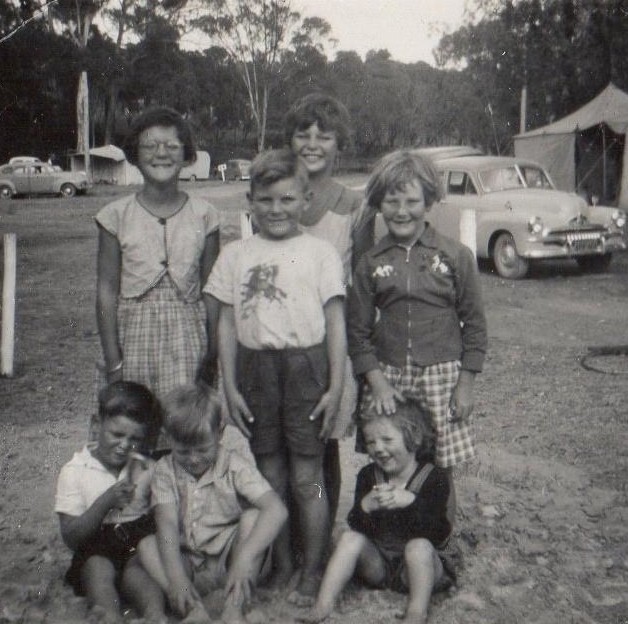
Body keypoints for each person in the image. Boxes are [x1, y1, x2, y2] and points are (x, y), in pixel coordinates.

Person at [204, 148, 347, 603]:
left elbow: (336, 323)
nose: (276, 209)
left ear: (305, 200)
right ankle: (283, 562)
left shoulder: (320, 253)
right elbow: (226, 324)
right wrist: (229, 385)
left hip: (307, 368)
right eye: (265, 200)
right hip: (255, 369)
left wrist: (336, 387)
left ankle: (313, 567)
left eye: (287, 199)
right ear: (250, 201)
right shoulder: (236, 254)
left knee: (307, 475)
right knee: (269, 473)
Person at [347, 149, 487, 522]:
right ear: (379, 204)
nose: (401, 211)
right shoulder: (371, 262)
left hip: (442, 377)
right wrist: (376, 383)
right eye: (391, 201)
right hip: (389, 378)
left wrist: (466, 384)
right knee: (392, 458)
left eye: (411, 201)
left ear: (429, 201)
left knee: (439, 464)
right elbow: (357, 332)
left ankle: (439, 535)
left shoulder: (455, 256)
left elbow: (475, 324)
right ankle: (392, 532)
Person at [94, 106, 220, 451]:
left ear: (187, 155)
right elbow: (106, 291)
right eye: (150, 146)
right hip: (134, 341)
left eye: (172, 146)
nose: (161, 153)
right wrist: (113, 361)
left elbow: (213, 291)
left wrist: (212, 353)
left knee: (185, 435)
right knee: (133, 437)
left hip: (187, 342)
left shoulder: (205, 215)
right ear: (134, 154)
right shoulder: (115, 216)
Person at [284, 92, 376, 526]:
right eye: (303, 134)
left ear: (340, 144)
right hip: (281, 340)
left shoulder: (356, 206)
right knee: (282, 446)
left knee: (324, 446)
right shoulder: (277, 195)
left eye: (324, 136)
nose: (313, 144)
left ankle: (318, 542)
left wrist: (358, 353)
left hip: (329, 344)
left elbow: (362, 285)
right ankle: (287, 540)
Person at [300, 403, 453, 624]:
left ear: (414, 438)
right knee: (349, 538)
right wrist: (365, 507)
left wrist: (411, 502)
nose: (378, 448)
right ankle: (323, 604)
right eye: (371, 442)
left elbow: (440, 533)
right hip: (379, 566)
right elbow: (357, 525)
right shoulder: (368, 476)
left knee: (419, 547)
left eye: (387, 440)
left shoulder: (433, 477)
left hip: (417, 570)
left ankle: (416, 612)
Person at [150, 382, 288, 624]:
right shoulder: (164, 470)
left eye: (203, 449)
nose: (194, 459)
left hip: (232, 564)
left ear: (220, 433)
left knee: (253, 517)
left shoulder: (234, 465)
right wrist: (177, 577)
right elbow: (167, 524)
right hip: (187, 566)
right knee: (147, 545)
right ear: (167, 437)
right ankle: (192, 610)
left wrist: (245, 557)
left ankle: (234, 608)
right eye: (183, 452)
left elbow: (276, 509)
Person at [54, 381, 166, 623]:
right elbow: (71, 537)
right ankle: (109, 614)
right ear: (96, 424)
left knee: (142, 573)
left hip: (136, 544)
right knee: (98, 570)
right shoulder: (75, 471)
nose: (125, 445)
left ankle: (154, 614)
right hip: (95, 545)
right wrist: (105, 501)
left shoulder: (145, 467)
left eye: (135, 438)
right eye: (117, 434)